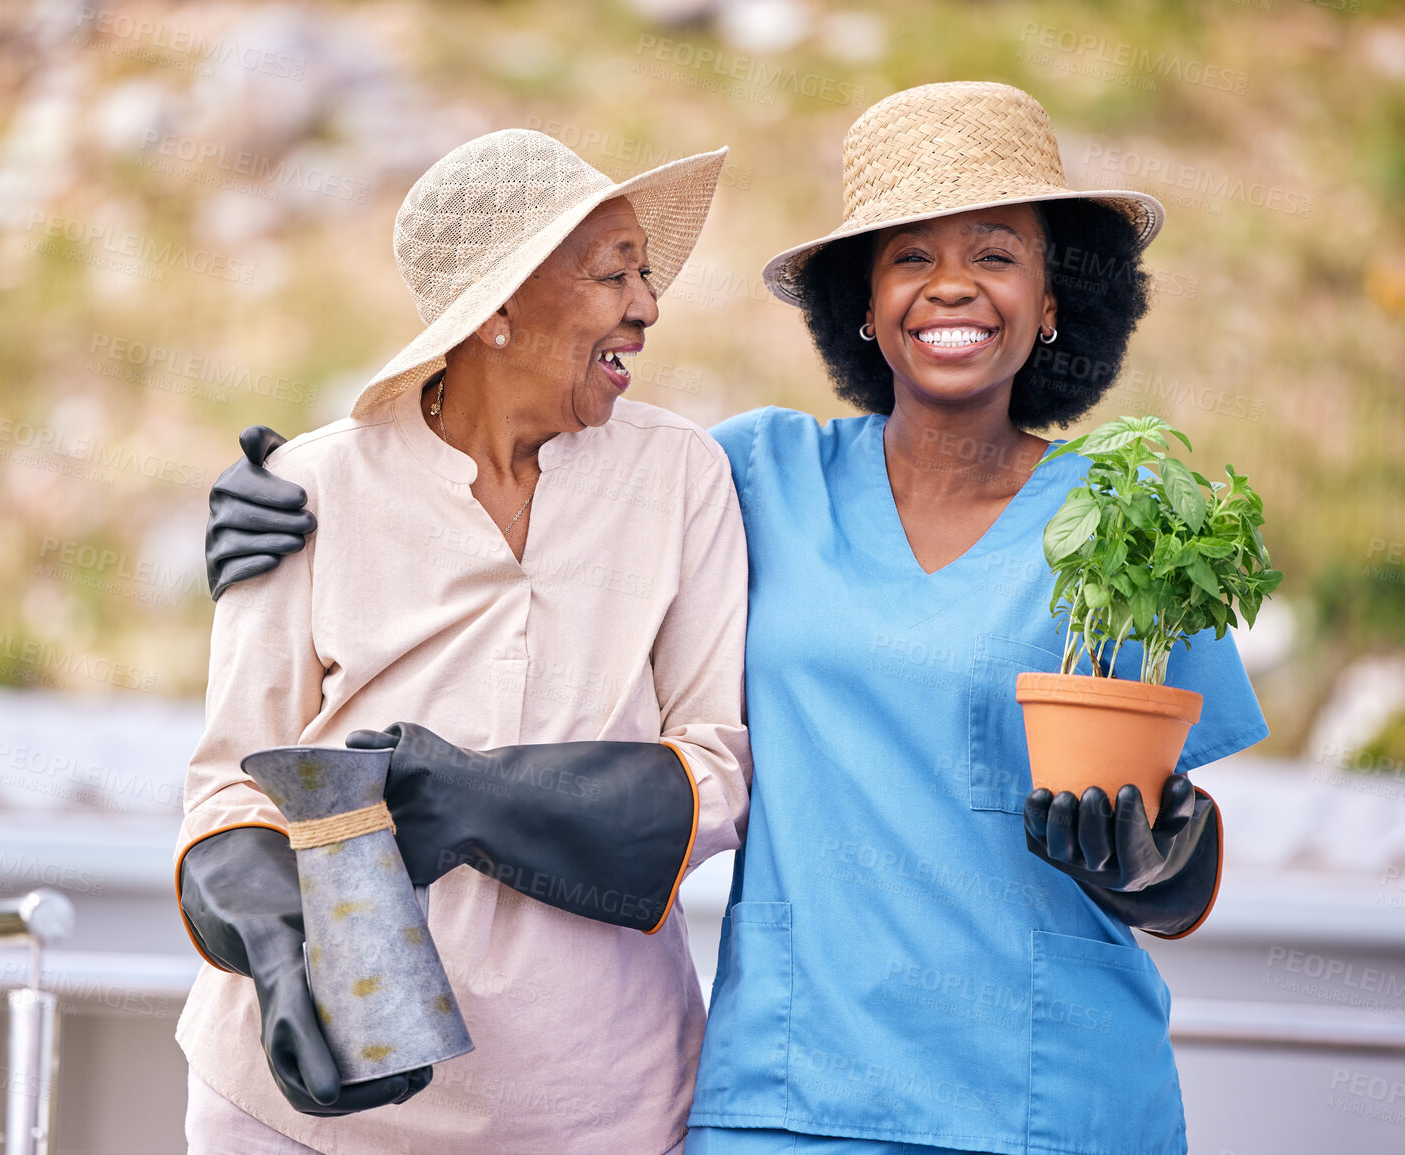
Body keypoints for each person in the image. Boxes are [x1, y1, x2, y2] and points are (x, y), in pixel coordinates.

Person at [206, 83, 1263, 1155]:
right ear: (862, 300)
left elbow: (1184, 867)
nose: (952, 287)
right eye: (909, 258)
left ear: (1054, 299)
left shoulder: (1130, 522)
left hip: (1057, 1094)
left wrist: (1158, 860)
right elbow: (518, 441)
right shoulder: (755, 471)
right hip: (788, 1099)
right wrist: (289, 498)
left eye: (996, 255)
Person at [175, 128, 752, 1155]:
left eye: (646, 272)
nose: (647, 306)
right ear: (495, 311)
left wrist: (481, 797)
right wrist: (275, 961)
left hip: (598, 1112)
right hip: (301, 1118)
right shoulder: (310, 489)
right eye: (613, 274)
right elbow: (230, 787)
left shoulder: (682, 479)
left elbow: (716, 771)